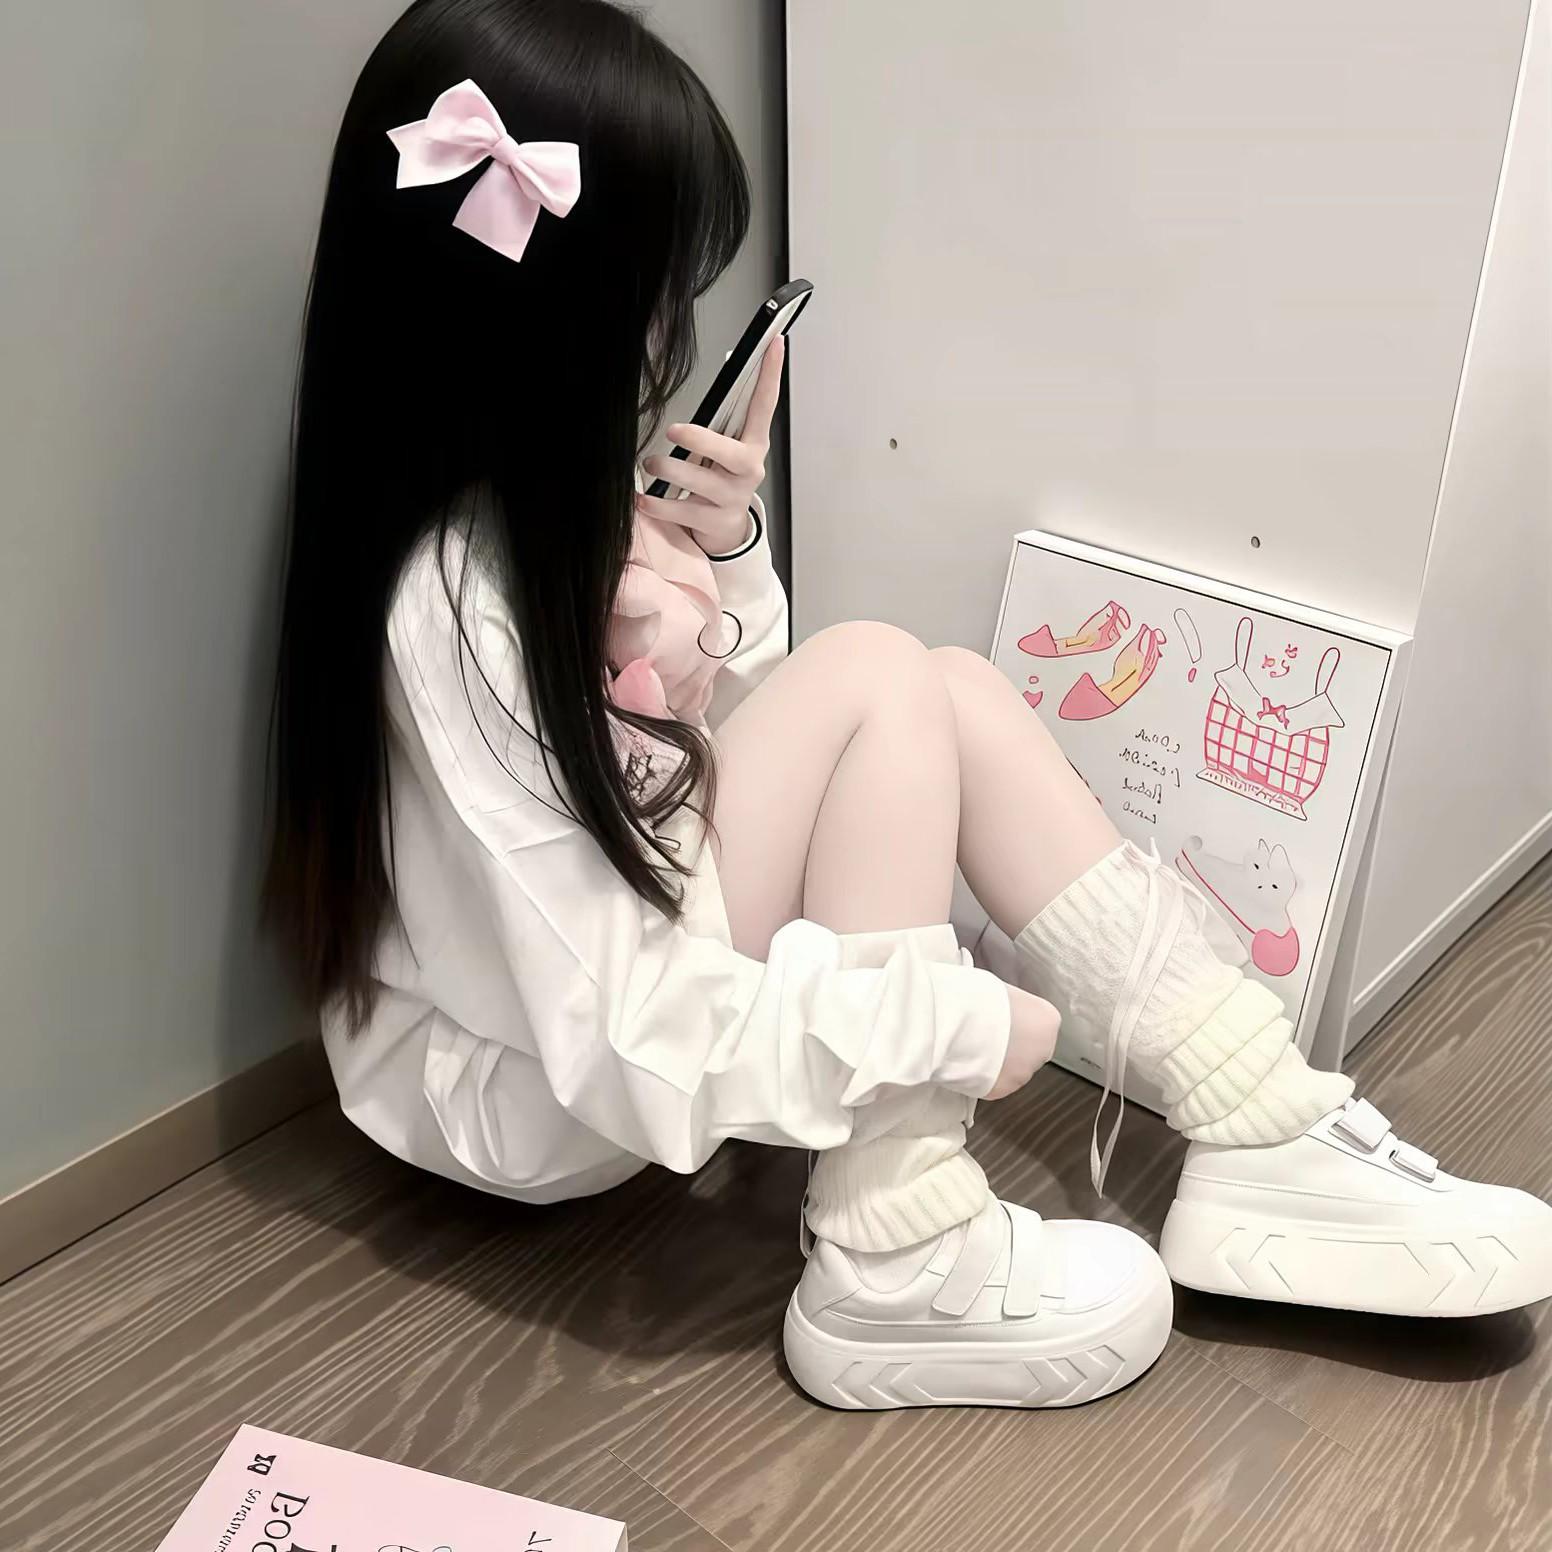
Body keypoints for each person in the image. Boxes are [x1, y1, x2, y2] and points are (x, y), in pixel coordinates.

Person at [265, 0, 1552, 1412]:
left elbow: (714, 744)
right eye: (651, 297)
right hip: (542, 1089)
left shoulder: (536, 523)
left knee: (941, 686)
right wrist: (948, 1029)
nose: (666, 338)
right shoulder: (453, 603)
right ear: (555, 320)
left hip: (605, 983)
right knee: (882, 676)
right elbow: (623, 1029)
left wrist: (722, 555)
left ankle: (1257, 1117)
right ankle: (893, 1251)